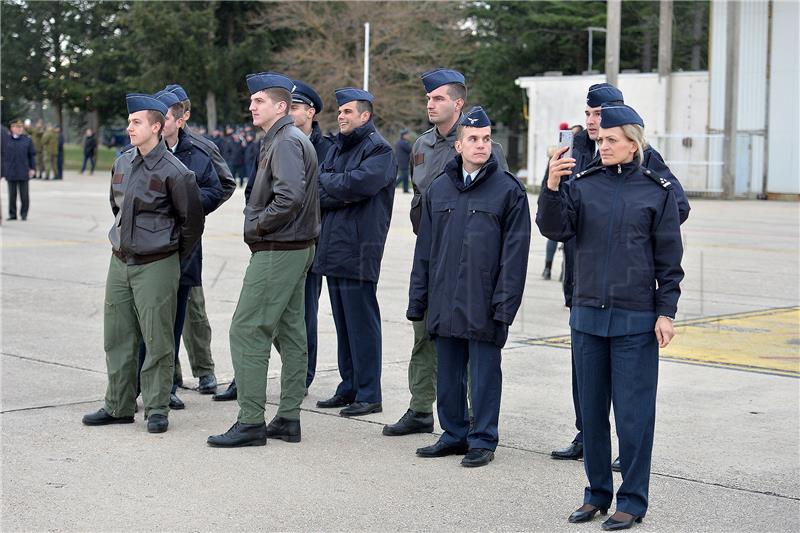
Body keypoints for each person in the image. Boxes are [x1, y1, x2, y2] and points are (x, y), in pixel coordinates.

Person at [537, 103, 684, 529]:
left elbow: (669, 261)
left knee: (634, 417)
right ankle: (596, 493)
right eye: (600, 140)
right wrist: (550, 186)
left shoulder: (657, 191)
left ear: (633, 143)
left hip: (635, 320)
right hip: (586, 317)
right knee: (592, 415)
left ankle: (632, 500)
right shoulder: (582, 185)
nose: (602, 146)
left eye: (611, 141)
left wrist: (666, 312)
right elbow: (554, 228)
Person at [383, 67, 508, 437]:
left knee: (469, 339)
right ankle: (421, 407)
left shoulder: (485, 145)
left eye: (437, 98)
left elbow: (499, 202)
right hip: (432, 256)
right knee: (424, 333)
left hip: (472, 262)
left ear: (458, 102)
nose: (430, 104)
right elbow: (420, 197)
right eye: (428, 98)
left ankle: (469, 416)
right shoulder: (421, 145)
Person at [409, 106, 531, 467]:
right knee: (448, 373)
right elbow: (425, 250)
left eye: (486, 139)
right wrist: (419, 299)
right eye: (473, 140)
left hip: (484, 301)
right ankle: (454, 433)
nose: (482, 145)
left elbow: (515, 257)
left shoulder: (509, 191)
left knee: (484, 376)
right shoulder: (439, 189)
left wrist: (504, 307)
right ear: (459, 146)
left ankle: (483, 439)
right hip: (445, 299)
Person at [207, 72, 320, 447]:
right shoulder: (283, 138)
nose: (251, 106)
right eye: (252, 100)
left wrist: (256, 224)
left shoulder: (286, 142)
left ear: (280, 106)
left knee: (247, 329)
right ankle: (288, 418)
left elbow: (288, 198)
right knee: (290, 333)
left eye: (259, 100)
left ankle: (251, 420)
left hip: (279, 248)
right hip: (292, 247)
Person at [82, 93, 204, 434]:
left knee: (157, 339)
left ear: (156, 126)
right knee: (117, 336)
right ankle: (118, 405)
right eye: (129, 121)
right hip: (120, 262)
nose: (129, 127)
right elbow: (117, 208)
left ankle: (156, 408)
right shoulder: (122, 163)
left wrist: (168, 255)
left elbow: (192, 223)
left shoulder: (176, 172)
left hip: (157, 264)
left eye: (136, 122)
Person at [135, 90, 225, 411]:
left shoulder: (198, 152)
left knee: (177, 321)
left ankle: (170, 385)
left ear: (177, 119)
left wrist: (188, 205)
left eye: (167, 116)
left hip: (184, 249)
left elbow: (218, 187)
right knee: (146, 323)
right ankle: (141, 384)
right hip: (147, 250)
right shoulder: (139, 151)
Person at [314, 87, 396, 417]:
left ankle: (369, 392)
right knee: (343, 323)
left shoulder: (379, 150)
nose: (341, 116)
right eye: (340, 111)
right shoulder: (337, 148)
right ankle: (348, 386)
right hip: (334, 245)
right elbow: (321, 187)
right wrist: (338, 186)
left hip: (360, 247)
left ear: (366, 115)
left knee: (362, 323)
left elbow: (357, 186)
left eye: (348, 111)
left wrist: (336, 185)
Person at [164, 83, 237, 396]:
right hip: (156, 242)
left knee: (193, 310)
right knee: (162, 312)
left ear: (184, 115)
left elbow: (226, 184)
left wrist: (195, 208)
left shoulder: (202, 147)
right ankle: (170, 374)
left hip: (188, 239)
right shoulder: (151, 146)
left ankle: (204, 368)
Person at [1, 119, 36, 221]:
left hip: (23, 170)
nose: (20, 129)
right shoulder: (6, 140)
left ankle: (24, 214)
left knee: (24, 195)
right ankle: (12, 214)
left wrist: (32, 168)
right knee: (12, 195)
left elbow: (31, 156)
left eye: (21, 127)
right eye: (17, 127)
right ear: (12, 128)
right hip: (10, 171)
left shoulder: (27, 140)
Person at [394, 129, 412, 193]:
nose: (409, 136)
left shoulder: (400, 142)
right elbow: (410, 149)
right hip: (403, 161)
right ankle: (394, 185)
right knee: (404, 175)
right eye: (407, 135)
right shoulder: (403, 143)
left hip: (402, 161)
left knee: (405, 176)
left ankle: (405, 189)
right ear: (403, 136)